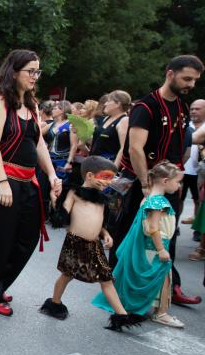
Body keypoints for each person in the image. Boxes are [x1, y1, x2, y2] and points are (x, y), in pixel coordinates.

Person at [0, 49, 62, 316]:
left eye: (38, 71)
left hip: (28, 180)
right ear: (14, 72)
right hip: (3, 179)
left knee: (27, 236)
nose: (35, 76)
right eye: (31, 71)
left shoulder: (32, 105)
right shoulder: (0, 102)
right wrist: (2, 181)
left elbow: (38, 143)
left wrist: (52, 174)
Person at [113, 55, 204, 305]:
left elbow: (181, 146)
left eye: (195, 80)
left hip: (169, 184)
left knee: (167, 235)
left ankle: (169, 287)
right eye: (187, 78)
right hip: (143, 183)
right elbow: (135, 149)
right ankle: (118, 286)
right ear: (170, 73)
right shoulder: (146, 107)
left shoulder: (182, 106)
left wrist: (176, 177)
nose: (191, 84)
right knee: (131, 234)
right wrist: (146, 185)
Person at [40, 156, 141, 330]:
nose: (108, 182)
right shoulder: (74, 193)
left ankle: (121, 316)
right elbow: (61, 216)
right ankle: (54, 303)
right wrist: (54, 199)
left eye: (111, 178)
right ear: (89, 175)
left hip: (94, 245)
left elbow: (100, 223)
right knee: (67, 275)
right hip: (75, 244)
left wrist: (106, 234)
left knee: (106, 279)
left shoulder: (102, 199)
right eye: (105, 177)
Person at [94, 161, 186, 328]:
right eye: (177, 182)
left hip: (148, 247)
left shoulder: (147, 199)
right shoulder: (159, 202)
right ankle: (161, 313)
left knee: (150, 278)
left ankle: (141, 307)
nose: (179, 186)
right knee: (163, 279)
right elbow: (153, 228)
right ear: (165, 181)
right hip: (157, 247)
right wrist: (161, 250)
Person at [90, 90, 130, 165]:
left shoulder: (124, 120)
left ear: (117, 104)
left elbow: (123, 148)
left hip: (107, 165)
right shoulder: (106, 118)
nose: (105, 104)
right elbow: (98, 142)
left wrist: (114, 168)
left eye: (108, 101)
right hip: (94, 163)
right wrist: (80, 132)